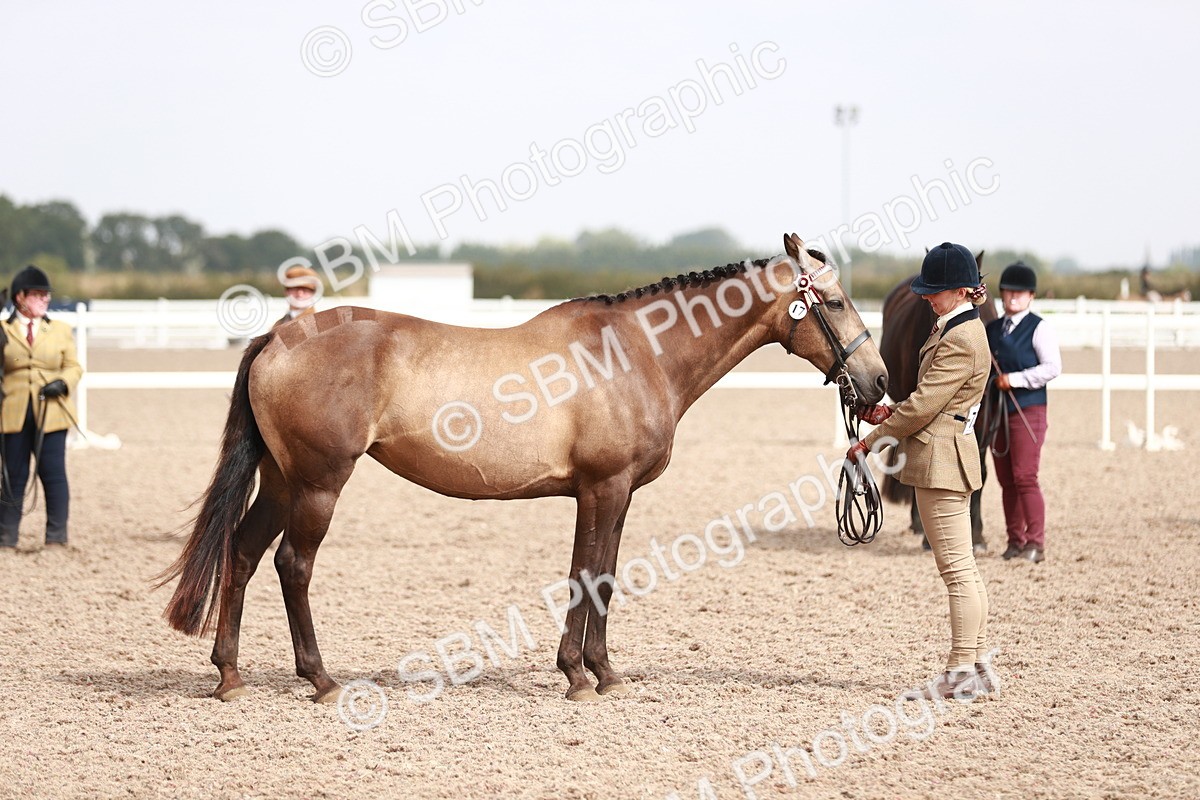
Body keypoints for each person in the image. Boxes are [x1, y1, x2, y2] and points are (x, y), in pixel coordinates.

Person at [848, 243, 993, 700]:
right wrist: (888, 412)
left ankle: (960, 671)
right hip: (948, 452)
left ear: (959, 290)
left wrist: (869, 442)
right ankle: (978, 664)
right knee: (965, 569)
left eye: (934, 292)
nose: (927, 298)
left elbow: (925, 405)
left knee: (956, 572)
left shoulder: (962, 338)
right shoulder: (958, 327)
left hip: (941, 461)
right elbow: (926, 402)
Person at [1, 265, 83, 548]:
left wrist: (62, 382)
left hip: (51, 411)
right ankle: (6, 536)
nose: (45, 299)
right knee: (13, 474)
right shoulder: (3, 330)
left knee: (53, 474)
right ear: (20, 297)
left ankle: (57, 537)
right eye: (38, 295)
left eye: (46, 295)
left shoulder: (60, 330)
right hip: (13, 411)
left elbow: (73, 366)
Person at [986, 261, 1061, 564]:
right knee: (1006, 479)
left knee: (1025, 476)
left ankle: (1036, 543)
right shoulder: (991, 330)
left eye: (1020, 292)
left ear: (1030, 296)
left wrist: (1014, 380)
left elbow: (1052, 368)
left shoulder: (1039, 328)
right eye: (1008, 292)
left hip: (1027, 410)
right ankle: (1015, 540)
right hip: (997, 413)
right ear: (1002, 294)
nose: (1013, 297)